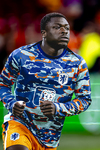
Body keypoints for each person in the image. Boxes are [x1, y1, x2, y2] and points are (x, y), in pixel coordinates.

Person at [0, 12, 92, 150]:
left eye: (67, 28)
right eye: (57, 27)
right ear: (44, 32)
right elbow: (3, 84)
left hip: (49, 138)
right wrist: (11, 103)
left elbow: (85, 100)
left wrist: (58, 108)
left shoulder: (77, 64)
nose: (64, 31)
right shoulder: (21, 56)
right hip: (19, 124)